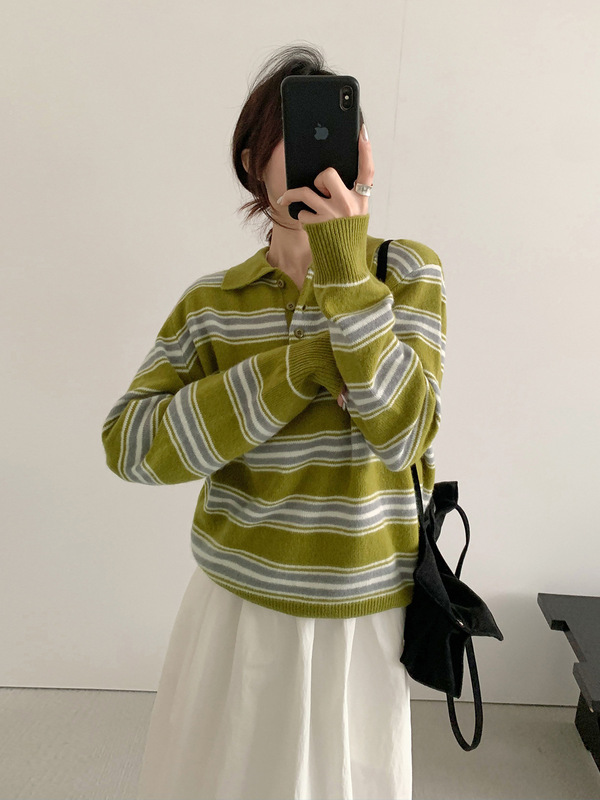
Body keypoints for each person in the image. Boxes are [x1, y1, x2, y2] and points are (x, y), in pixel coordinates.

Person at [101, 43, 446, 800]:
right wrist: (293, 373)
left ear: (364, 155)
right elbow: (129, 445)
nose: (317, 153)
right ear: (253, 163)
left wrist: (345, 269)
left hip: (360, 614)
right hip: (236, 606)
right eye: (293, 131)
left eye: (337, 131)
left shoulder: (405, 274)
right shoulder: (212, 303)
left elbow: (405, 433)